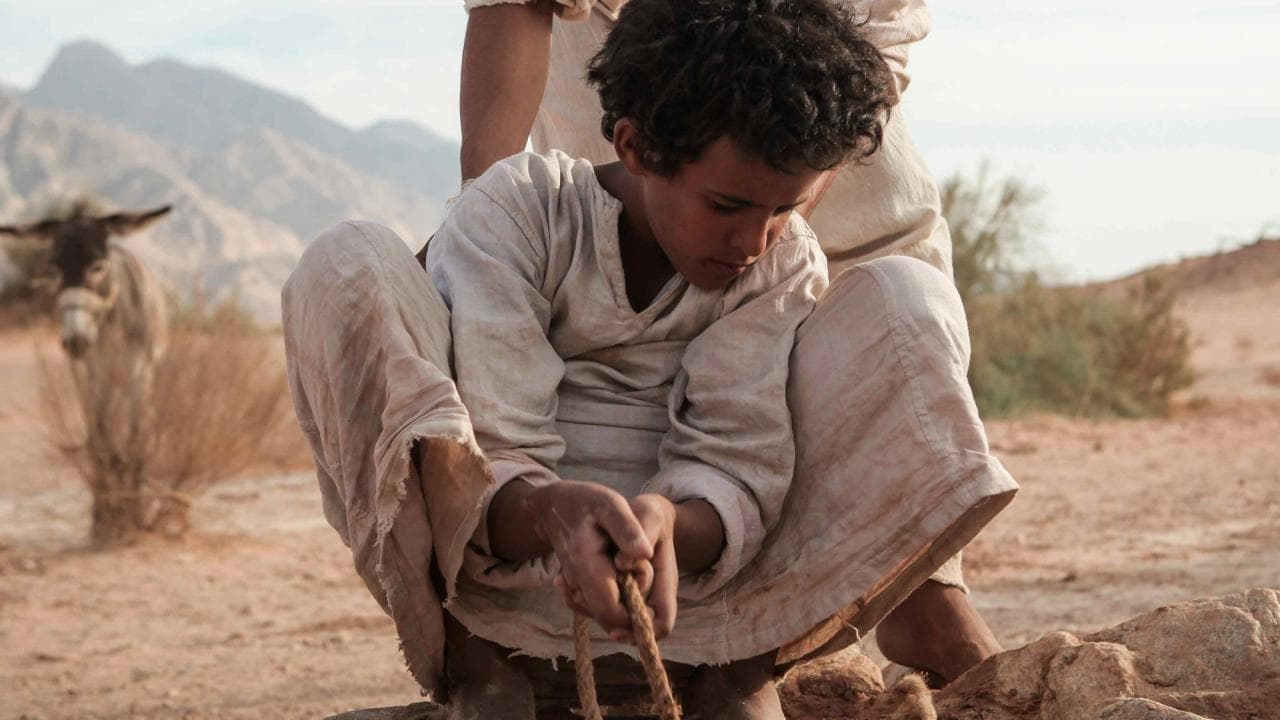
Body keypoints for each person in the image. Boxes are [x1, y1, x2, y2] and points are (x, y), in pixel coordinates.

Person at [283, 0, 1016, 717]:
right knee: (348, 264)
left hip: (700, 589)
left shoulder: (779, 261)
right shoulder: (519, 211)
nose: (754, 241)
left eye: (784, 209)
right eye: (728, 206)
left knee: (906, 297)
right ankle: (483, 658)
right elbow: (495, 441)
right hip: (510, 561)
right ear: (632, 147)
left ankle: (734, 669)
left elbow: (741, 457)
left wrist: (671, 519)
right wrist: (553, 512)